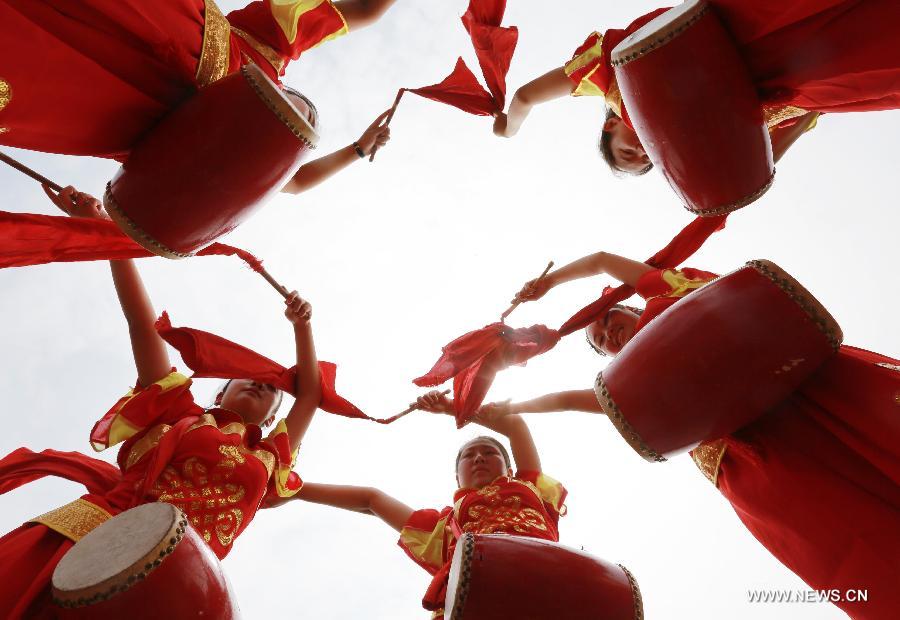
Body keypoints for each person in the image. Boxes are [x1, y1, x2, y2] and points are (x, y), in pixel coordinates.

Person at [481, 248, 900, 619]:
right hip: (759, 459)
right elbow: (574, 400)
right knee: (851, 541)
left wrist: (548, 283)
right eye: (602, 340)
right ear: (609, 356)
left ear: (629, 307)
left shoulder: (670, 293)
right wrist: (512, 407)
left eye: (611, 319)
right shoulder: (631, 388)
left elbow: (601, 260)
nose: (609, 333)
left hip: (809, 386)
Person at [0, 187, 325, 618]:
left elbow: (312, 394)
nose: (260, 384)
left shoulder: (270, 459)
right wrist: (102, 226)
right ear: (218, 392)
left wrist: (303, 327)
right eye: (245, 378)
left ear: (273, 420)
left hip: (177, 579)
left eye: (272, 390)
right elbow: (142, 324)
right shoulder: (176, 410)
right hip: (95, 530)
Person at [493, 1, 900, 175]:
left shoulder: (606, 78)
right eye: (644, 160)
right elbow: (761, 163)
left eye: (625, 153)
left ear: (609, 128)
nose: (640, 152)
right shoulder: (699, 141)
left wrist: (507, 129)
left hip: (748, 29)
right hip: (795, 79)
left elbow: (525, 97)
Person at [274, 391, 567, 619]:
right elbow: (370, 500)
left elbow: (515, 425)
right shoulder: (443, 526)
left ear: (509, 467)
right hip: (478, 603)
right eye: (469, 455)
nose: (478, 458)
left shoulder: (532, 486)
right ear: (457, 476)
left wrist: (451, 406)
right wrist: (294, 490)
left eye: (489, 453)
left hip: (548, 585)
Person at [0, 0, 402, 160]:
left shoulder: (243, 139)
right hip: (164, 47)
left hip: (135, 103)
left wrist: (358, 149)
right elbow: (366, 8)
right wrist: (356, 148)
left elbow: (291, 182)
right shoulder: (271, 47)